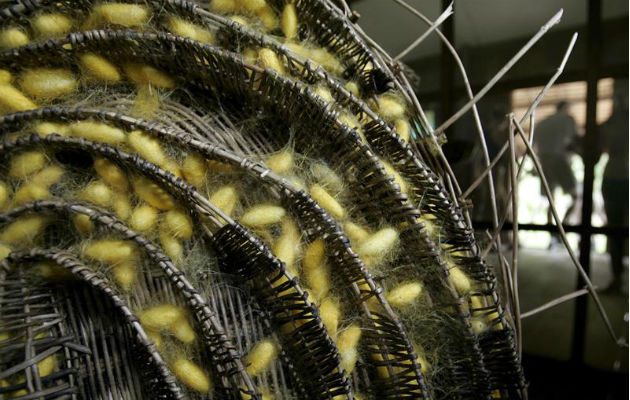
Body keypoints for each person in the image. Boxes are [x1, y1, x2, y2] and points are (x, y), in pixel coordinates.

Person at [535, 101, 580, 246]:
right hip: (559, 159)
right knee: (575, 197)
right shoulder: (568, 120)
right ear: (566, 108)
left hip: (544, 161)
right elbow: (574, 142)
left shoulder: (542, 123)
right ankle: (562, 228)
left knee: (550, 199)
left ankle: (552, 236)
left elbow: (534, 146)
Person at [598, 80, 629, 293]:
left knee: (617, 232)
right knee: (616, 231)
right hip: (614, 178)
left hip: (617, 177)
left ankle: (617, 278)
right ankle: (616, 277)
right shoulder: (609, 123)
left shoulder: (611, 123)